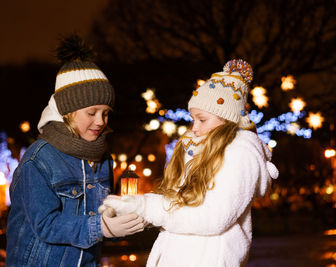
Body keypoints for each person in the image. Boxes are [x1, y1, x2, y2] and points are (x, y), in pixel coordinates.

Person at [101, 59, 279, 267]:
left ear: (226, 119)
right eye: (193, 119)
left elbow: (212, 216)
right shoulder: (196, 151)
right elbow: (178, 205)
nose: (194, 128)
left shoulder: (240, 154)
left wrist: (146, 207)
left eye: (202, 119)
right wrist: (131, 208)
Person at [6, 35, 144, 267]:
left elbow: (102, 220)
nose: (100, 121)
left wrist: (123, 220)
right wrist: (101, 227)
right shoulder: (39, 160)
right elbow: (46, 225)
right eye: (92, 113)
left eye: (106, 112)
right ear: (68, 112)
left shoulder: (103, 159)